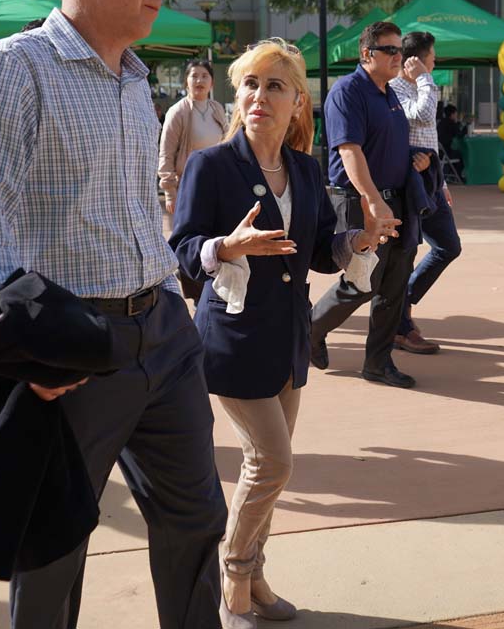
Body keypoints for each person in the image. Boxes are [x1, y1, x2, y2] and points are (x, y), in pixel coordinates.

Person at [0, 0, 227, 629]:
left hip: (163, 333)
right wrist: (27, 347)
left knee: (197, 518)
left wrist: (173, 305)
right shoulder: (15, 68)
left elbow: (134, 211)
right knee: (53, 549)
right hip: (71, 345)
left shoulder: (135, 79)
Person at [168, 40, 386, 629]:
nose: (259, 96)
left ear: (296, 103)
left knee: (263, 468)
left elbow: (317, 252)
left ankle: (256, 575)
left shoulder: (307, 171)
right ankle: (235, 582)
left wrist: (357, 241)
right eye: (250, 84)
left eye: (274, 86)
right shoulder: (212, 166)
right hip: (233, 339)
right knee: (272, 463)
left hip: (288, 340)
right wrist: (224, 246)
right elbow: (182, 251)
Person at [308, 20, 418, 388]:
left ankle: (378, 363)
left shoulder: (389, 93)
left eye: (400, 50)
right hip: (361, 202)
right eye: (391, 50)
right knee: (363, 281)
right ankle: (310, 330)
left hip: (395, 202)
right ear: (367, 53)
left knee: (394, 286)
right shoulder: (348, 91)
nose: (398, 56)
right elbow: (349, 151)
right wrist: (373, 200)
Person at [390, 31, 463, 355]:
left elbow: (429, 135)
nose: (434, 64)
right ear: (416, 61)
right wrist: (424, 79)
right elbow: (422, 115)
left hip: (429, 181)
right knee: (404, 255)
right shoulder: (396, 89)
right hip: (409, 186)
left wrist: (442, 182)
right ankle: (400, 326)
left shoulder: (421, 86)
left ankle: (402, 304)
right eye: (431, 58)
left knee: (449, 246)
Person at [159, 59, 229, 299]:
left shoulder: (217, 109)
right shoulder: (178, 111)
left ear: (212, 82)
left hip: (218, 185)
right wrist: (170, 191)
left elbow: (228, 141)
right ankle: (197, 294)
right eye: (194, 76)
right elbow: (166, 153)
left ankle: (214, 290)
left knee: (215, 239)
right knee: (191, 241)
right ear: (186, 82)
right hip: (188, 187)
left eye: (204, 76)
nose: (199, 80)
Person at [437, 104, 467, 178]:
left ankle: (452, 175)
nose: (456, 115)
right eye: (455, 113)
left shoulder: (441, 122)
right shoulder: (451, 123)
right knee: (462, 155)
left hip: (439, 151)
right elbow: (459, 135)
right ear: (452, 114)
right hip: (447, 152)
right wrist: (466, 128)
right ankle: (458, 176)